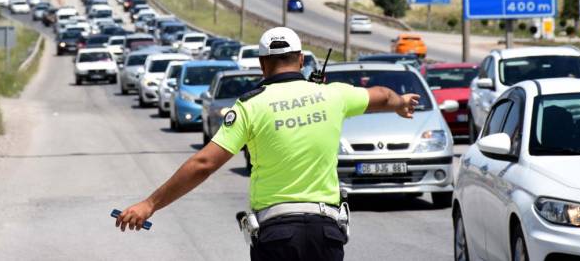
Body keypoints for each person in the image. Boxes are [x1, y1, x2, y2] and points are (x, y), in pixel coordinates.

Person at [115, 27, 420, 261]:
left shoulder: (250, 106)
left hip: (277, 236)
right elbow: (381, 94)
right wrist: (401, 103)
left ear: (262, 64)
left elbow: (203, 163)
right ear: (301, 59)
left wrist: (150, 204)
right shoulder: (334, 95)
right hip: (326, 233)